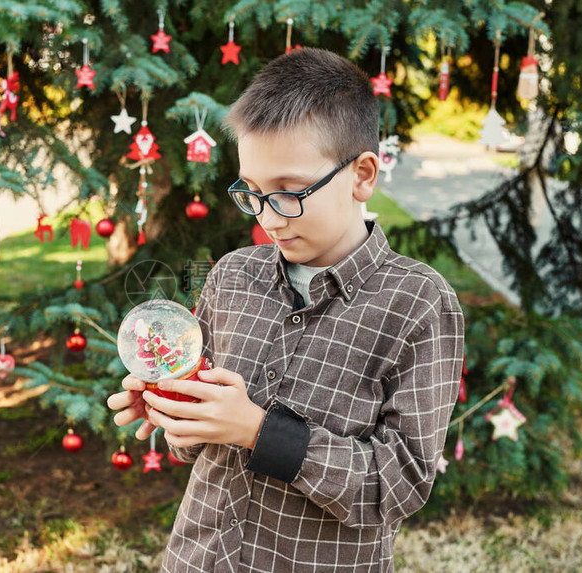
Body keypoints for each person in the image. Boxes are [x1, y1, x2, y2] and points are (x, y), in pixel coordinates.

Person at [107, 48, 464, 572]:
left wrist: (259, 432)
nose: (269, 218)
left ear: (363, 174)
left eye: (290, 192)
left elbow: (400, 484)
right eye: (251, 192)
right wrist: (178, 413)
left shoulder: (417, 304)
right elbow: (202, 440)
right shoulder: (231, 277)